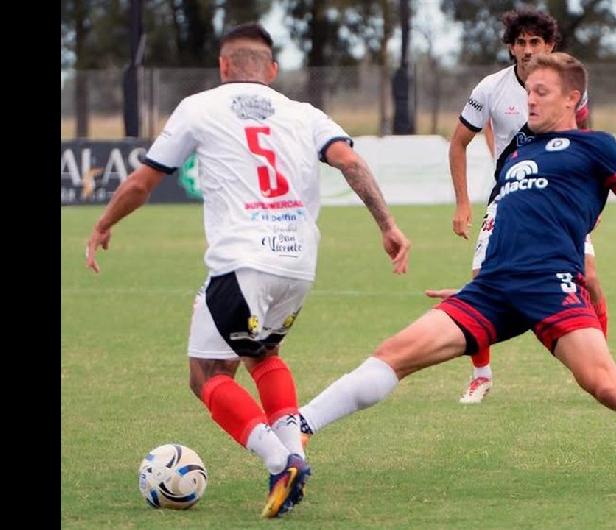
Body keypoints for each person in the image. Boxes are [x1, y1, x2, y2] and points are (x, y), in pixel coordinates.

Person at [297, 53, 616, 496]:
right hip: (492, 289)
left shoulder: (597, 146)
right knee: (395, 354)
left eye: (541, 92)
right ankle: (300, 427)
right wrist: (476, 283)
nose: (530, 101)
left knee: (605, 385)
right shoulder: (515, 154)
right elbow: (502, 223)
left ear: (572, 98)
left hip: (552, 284)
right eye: (527, 93)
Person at [84, 23, 411, 518]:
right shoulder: (305, 113)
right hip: (299, 265)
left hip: (242, 261)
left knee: (207, 375)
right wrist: (387, 225)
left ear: (223, 66)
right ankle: (295, 455)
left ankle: (279, 462)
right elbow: (351, 163)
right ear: (272, 70)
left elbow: (143, 181)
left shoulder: (199, 107)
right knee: (263, 354)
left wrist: (104, 223)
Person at [438, 7, 605, 404]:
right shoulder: (489, 89)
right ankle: (481, 376)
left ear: (549, 46)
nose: (528, 50)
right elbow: (458, 142)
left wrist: (589, 203)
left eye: (536, 42)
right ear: (511, 48)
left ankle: (600, 364)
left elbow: (586, 144)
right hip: (509, 198)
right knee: (481, 280)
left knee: (591, 278)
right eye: (521, 43)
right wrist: (463, 204)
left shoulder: (567, 88)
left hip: (559, 201)